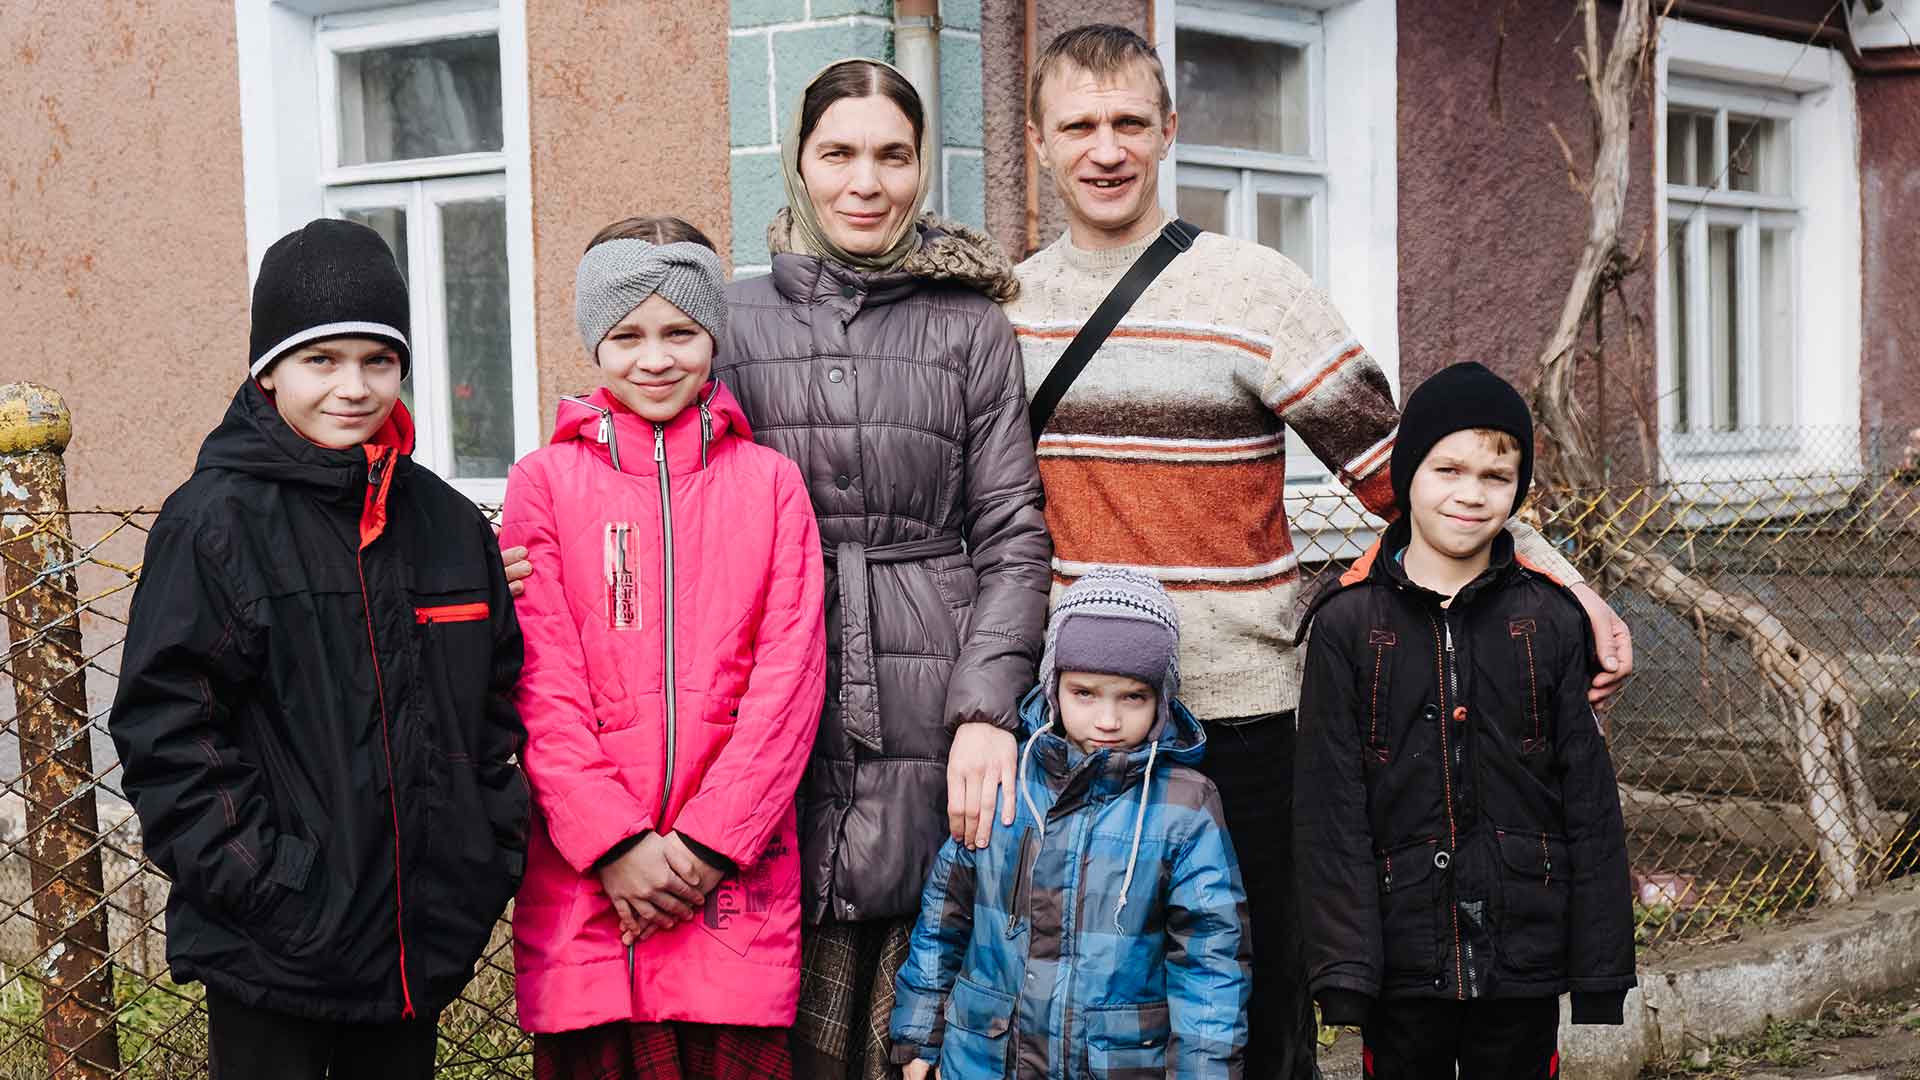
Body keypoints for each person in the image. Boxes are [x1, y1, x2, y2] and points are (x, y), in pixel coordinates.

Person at [1003, 24, 1637, 1078]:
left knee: (1253, 1009)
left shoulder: (1256, 292)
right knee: (1093, 1014)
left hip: (1247, 714)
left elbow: (1406, 470)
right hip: (1085, 727)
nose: (1104, 148)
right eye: (1078, 125)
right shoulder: (1010, 313)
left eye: (1127, 122)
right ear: (1036, 141)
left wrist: (1559, 573)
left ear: (1171, 129)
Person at [109, 218, 528, 1079]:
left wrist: (478, 855)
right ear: (269, 372)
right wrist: (270, 884)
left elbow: (493, 706)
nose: (353, 386)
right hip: (275, 954)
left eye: (378, 360)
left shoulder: (448, 523)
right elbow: (167, 729)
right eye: (321, 359)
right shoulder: (215, 523)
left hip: (418, 943)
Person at [716, 59, 1053, 1080]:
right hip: (776, 694)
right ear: (799, 165)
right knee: (781, 1005)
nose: (867, 181)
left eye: (893, 155)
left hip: (935, 695)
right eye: (840, 153)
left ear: (919, 169)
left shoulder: (972, 327)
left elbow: (1011, 532)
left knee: (925, 1020)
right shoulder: (728, 321)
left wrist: (987, 709)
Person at [501, 217, 827, 1080]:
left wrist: (708, 845)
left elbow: (789, 676)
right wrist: (613, 844)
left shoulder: (769, 483)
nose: (656, 358)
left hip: (730, 886)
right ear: (593, 344)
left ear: (712, 338)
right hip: (590, 890)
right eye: (627, 336)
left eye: (680, 332)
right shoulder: (545, 483)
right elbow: (540, 682)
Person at [1293, 362, 1636, 1078]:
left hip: (1523, 954)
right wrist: (1346, 968)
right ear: (1408, 474)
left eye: (1495, 476)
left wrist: (1599, 964)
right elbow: (1330, 807)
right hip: (1401, 951)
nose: (1470, 494)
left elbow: (1590, 800)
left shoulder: (1551, 617)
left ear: (1518, 489)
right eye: (1447, 468)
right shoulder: (1348, 623)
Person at [891, 566, 1251, 1080]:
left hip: (1115, 1063)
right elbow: (945, 915)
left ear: (1162, 699)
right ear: (1054, 686)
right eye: (1085, 693)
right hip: (986, 1058)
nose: (1107, 720)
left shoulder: (1185, 805)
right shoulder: (1006, 775)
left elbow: (1211, 959)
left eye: (1132, 697)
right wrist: (919, 1030)